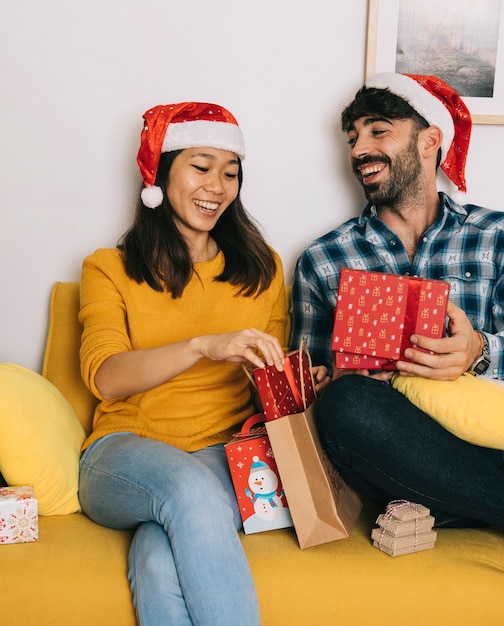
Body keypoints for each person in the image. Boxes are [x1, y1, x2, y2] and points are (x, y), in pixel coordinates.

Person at [290, 73, 504, 614]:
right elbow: (305, 396)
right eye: (352, 137)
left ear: (429, 142)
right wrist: (329, 382)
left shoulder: (502, 235)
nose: (360, 149)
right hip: (418, 468)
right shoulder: (324, 259)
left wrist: (480, 352)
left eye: (379, 131)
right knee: (345, 405)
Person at [78, 101, 328, 626]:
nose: (217, 185)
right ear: (161, 171)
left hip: (225, 451)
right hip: (122, 453)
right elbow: (106, 378)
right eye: (201, 165)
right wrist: (201, 346)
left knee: (155, 551)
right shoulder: (109, 268)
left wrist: (294, 380)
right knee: (188, 490)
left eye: (230, 172)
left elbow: (269, 386)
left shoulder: (262, 269)